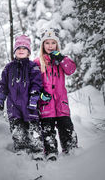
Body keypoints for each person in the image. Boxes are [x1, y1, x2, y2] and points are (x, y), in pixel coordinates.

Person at [34, 28, 78, 161]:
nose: (50, 46)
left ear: (57, 44)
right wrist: (40, 94)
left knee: (66, 127)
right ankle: (50, 151)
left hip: (61, 104)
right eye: (47, 43)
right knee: (47, 130)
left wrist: (62, 58)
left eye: (53, 43)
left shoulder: (62, 60)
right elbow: (34, 82)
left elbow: (71, 70)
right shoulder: (37, 62)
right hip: (46, 104)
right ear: (43, 45)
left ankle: (71, 149)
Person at [0, 35, 44, 159]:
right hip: (13, 106)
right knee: (18, 129)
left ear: (28, 51)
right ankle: (21, 149)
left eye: (24, 48)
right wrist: (1, 98)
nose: (21, 50)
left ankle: (37, 149)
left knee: (33, 128)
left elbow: (37, 83)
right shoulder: (8, 68)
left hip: (30, 105)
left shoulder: (32, 66)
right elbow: (3, 85)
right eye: (18, 48)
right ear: (14, 51)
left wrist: (34, 97)